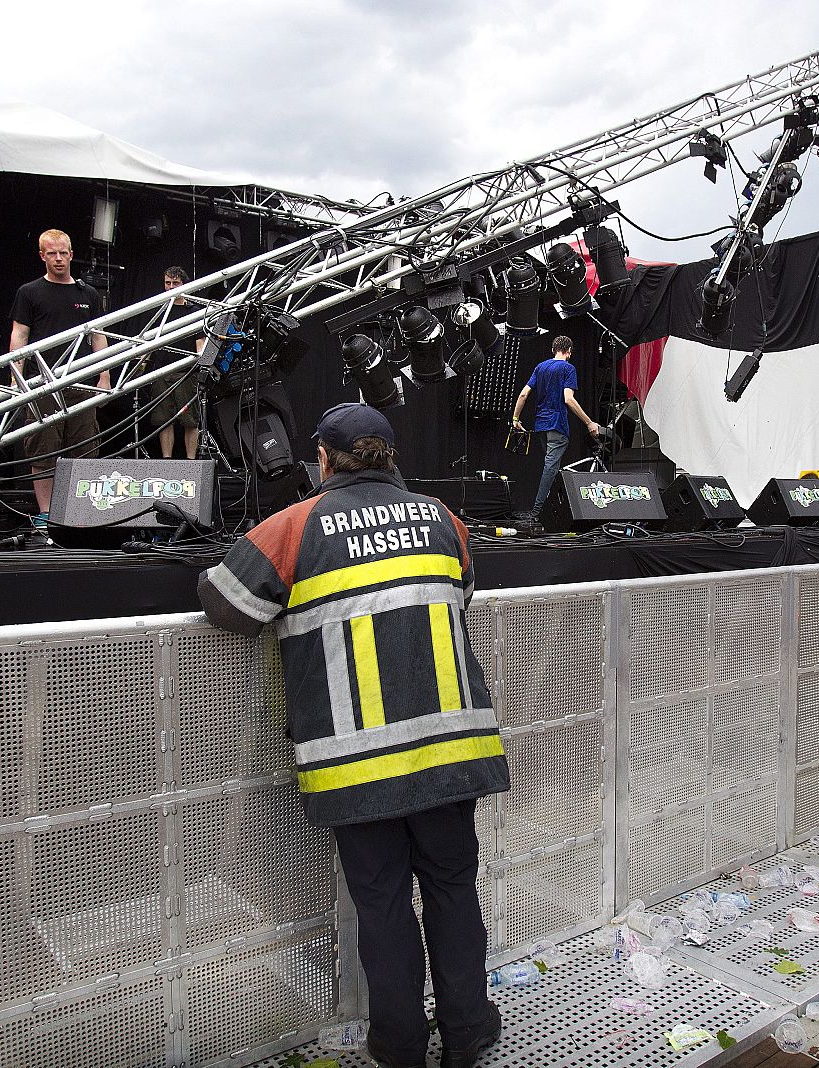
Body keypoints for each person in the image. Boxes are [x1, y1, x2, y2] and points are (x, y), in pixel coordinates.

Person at [198, 403, 508, 1068]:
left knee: (383, 905)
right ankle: (466, 1033)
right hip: (452, 752)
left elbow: (225, 603)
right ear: (390, 456)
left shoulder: (293, 528)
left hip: (356, 763)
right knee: (454, 891)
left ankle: (399, 1046)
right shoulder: (443, 520)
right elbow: (461, 592)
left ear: (323, 459)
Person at [9, 228, 110, 523]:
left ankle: (79, 513)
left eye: (63, 253)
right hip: (43, 385)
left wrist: (104, 377)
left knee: (84, 451)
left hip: (81, 383)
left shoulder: (88, 294)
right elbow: (19, 337)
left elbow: (98, 337)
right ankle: (45, 514)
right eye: (52, 253)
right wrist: (16, 379)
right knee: (43, 452)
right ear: (42, 255)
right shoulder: (29, 292)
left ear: (71, 255)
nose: (58, 259)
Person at [510, 335, 600, 518]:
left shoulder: (540, 367)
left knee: (552, 468)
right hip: (557, 425)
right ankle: (537, 512)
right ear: (569, 352)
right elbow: (568, 399)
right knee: (550, 469)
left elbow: (523, 395)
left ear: (553, 350)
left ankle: (552, 510)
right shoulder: (568, 368)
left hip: (541, 426)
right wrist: (589, 422)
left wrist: (515, 418)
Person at [145, 266, 204, 459]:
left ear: (184, 284)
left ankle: (191, 461)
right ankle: (167, 460)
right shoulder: (158, 311)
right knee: (163, 420)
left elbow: (200, 343)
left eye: (175, 283)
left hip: (186, 373)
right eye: (167, 283)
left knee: (190, 420)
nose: (171, 287)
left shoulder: (193, 311)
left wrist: (200, 367)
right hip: (162, 372)